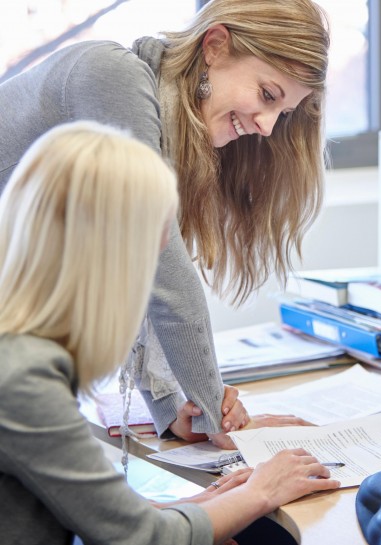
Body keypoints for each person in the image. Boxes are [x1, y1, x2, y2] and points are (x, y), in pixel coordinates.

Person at [0, 0, 330, 448]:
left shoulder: (157, 125)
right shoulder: (113, 75)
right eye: (268, 95)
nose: (268, 127)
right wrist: (216, 414)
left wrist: (175, 408)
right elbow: (163, 274)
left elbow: (127, 266)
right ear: (215, 45)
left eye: (283, 112)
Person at [0, 121, 340, 545]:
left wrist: (204, 505)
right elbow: (141, 539)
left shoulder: (21, 352)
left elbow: (90, 509)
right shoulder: (22, 381)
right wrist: (261, 490)